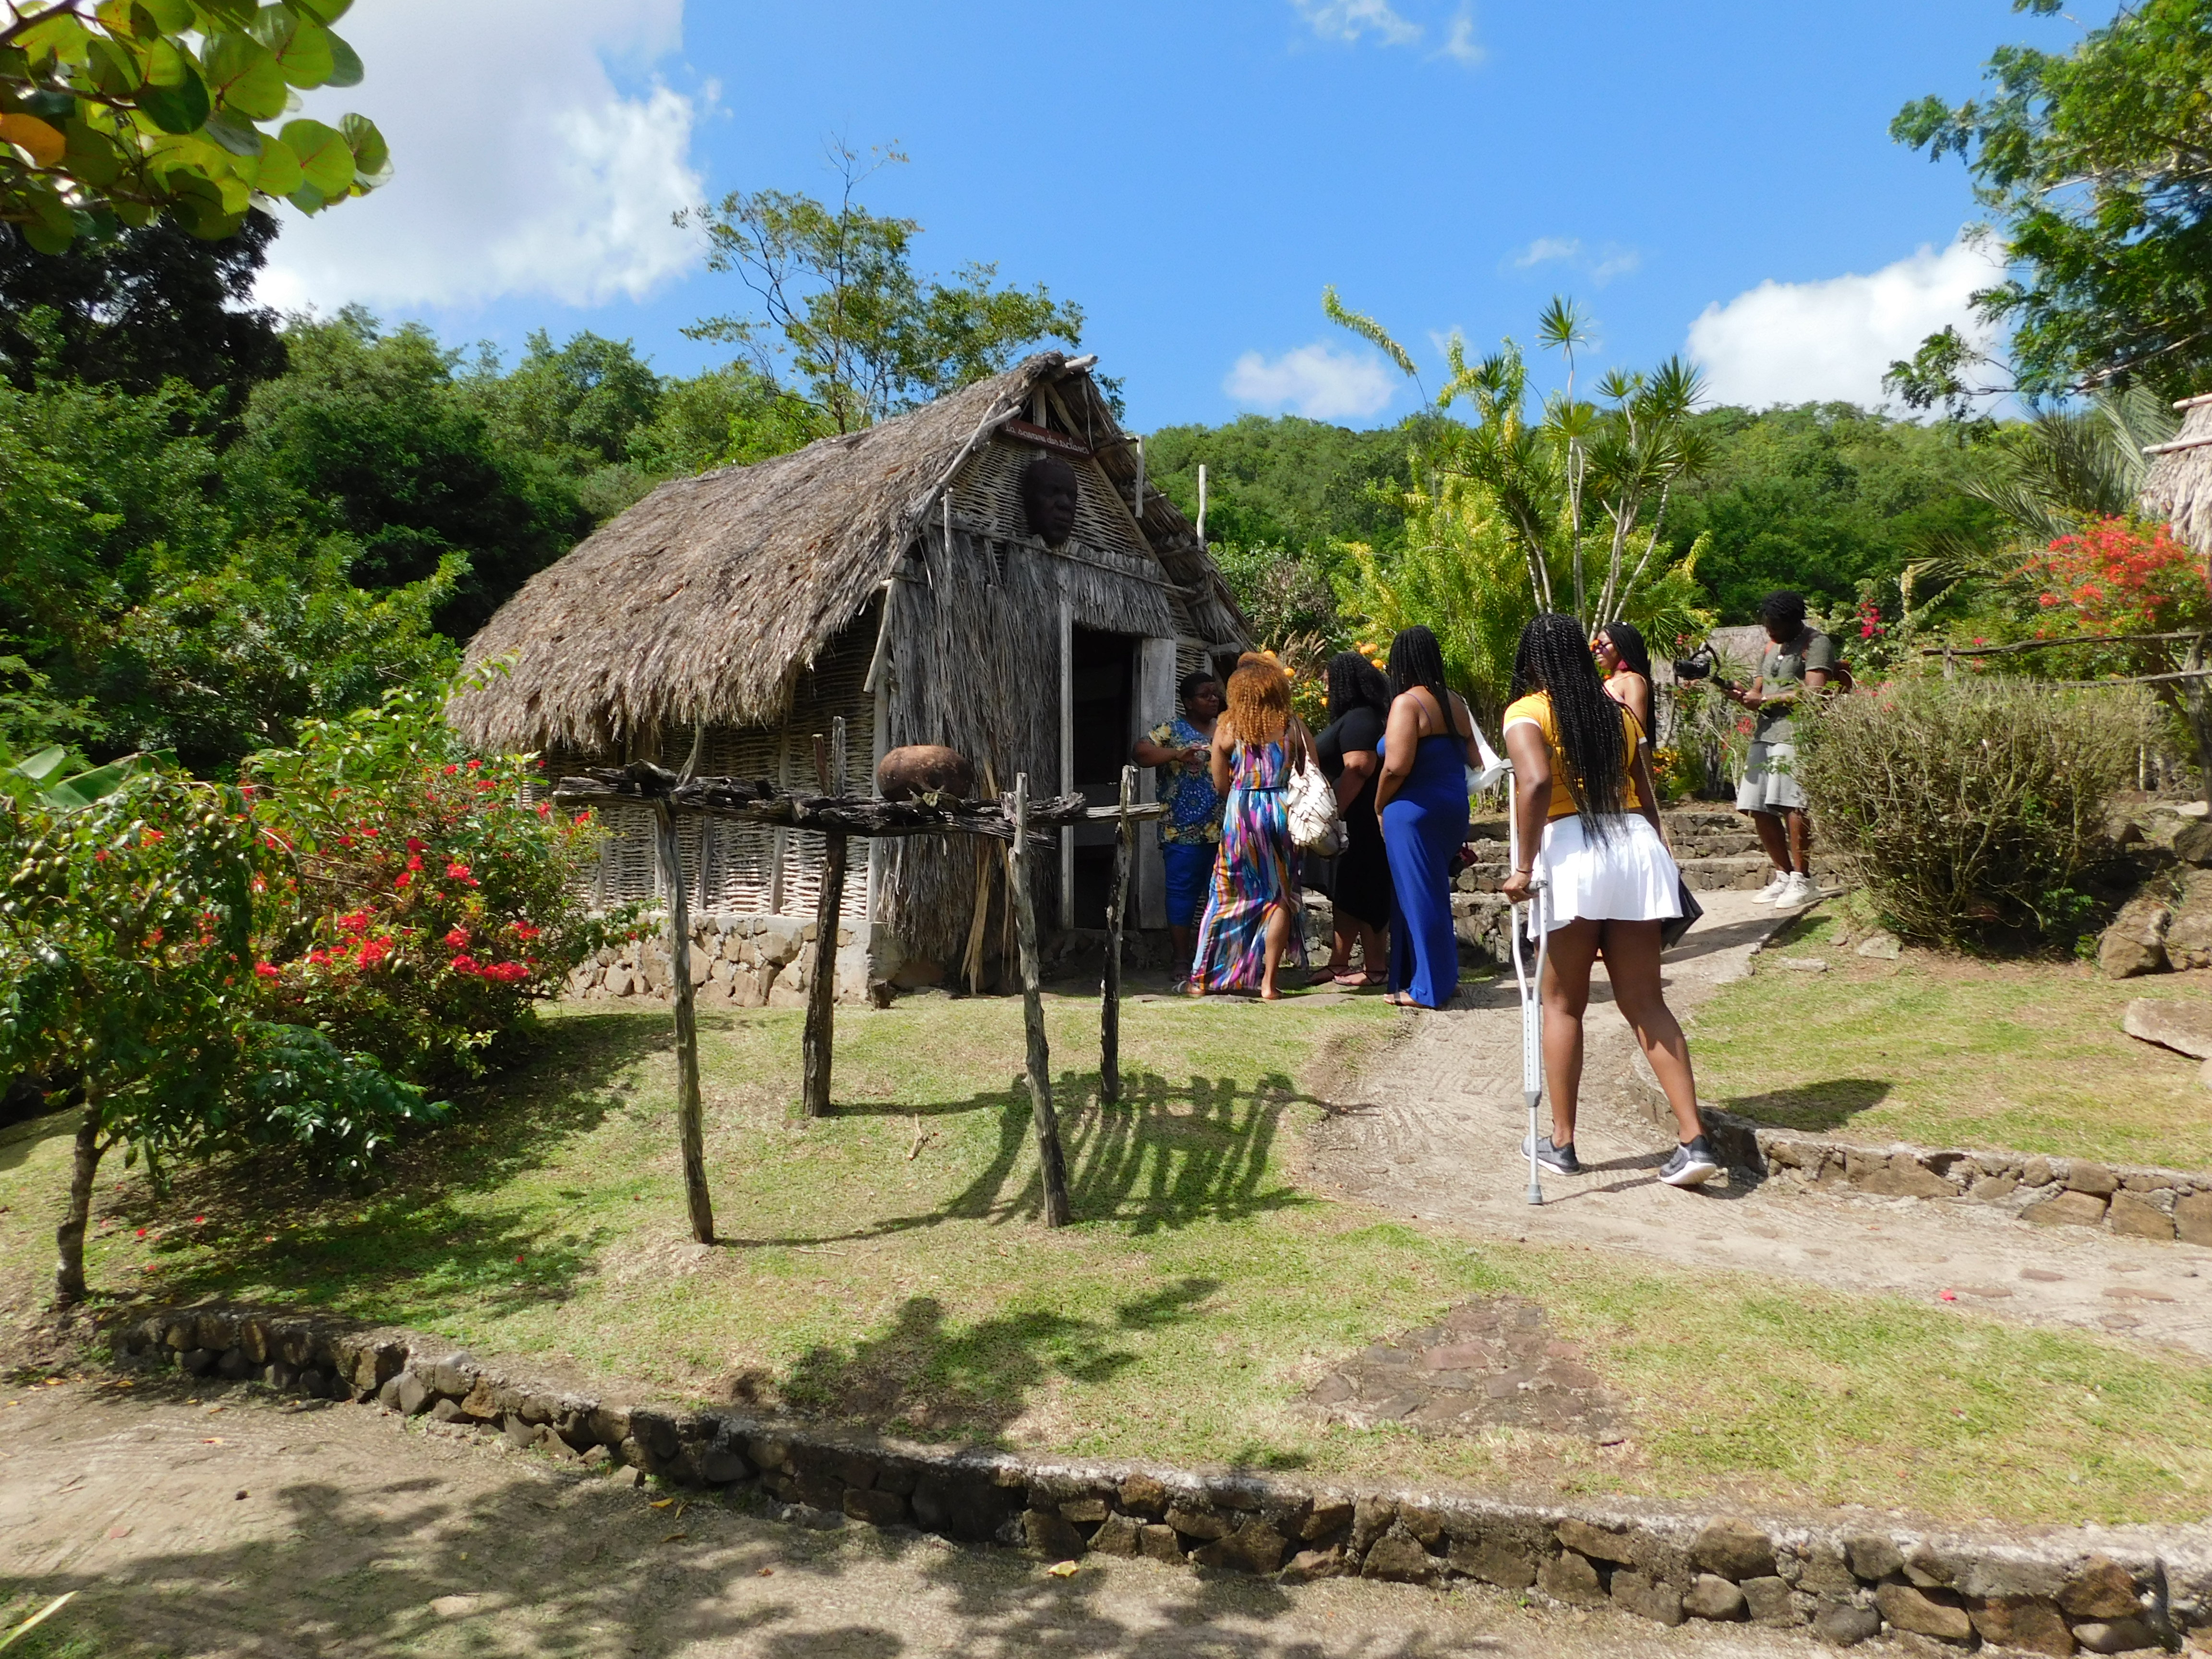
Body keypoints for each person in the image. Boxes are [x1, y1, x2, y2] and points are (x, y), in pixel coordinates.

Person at [1499, 613, 1719, 1189]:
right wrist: (1662, 862)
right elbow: (1646, 795)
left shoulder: (1527, 713)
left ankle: (1564, 1144)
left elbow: (1537, 782)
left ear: (1532, 662)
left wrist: (1522, 867)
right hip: (1634, 847)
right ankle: (1694, 1139)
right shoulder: (1618, 711)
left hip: (1572, 852)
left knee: (1563, 1005)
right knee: (1646, 1002)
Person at [1190, 654, 1312, 1001]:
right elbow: (1312, 773)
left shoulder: (1229, 727)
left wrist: (1244, 797)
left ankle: (1202, 979)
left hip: (1243, 811)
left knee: (1226, 893)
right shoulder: (1292, 725)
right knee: (1279, 898)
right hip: (1282, 811)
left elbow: (1219, 784)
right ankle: (1269, 984)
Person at [1374, 625, 1479, 1010]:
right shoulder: (1456, 702)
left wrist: (1379, 804)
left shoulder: (1407, 703)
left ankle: (1428, 989)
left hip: (1413, 810)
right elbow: (1475, 760)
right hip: (1451, 807)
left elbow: (1397, 766)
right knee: (1432, 894)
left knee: (1420, 898)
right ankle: (1439, 978)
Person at [1725, 590, 1834, 910]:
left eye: (1775, 625)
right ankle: (1784, 876)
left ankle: (1804, 879)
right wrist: (1740, 694)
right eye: (1767, 625)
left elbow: (1814, 692)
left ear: (1794, 621)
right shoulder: (1772, 647)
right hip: (1765, 733)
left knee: (1792, 803)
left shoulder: (1816, 643)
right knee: (1756, 805)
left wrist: (1766, 701)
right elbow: (1758, 690)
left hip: (1796, 733)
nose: (1769, 631)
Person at [1133, 672, 1225, 986]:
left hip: (1226, 832)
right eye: (1205, 695)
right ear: (1188, 702)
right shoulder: (1172, 730)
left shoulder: (1227, 729)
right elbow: (1141, 752)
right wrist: (1176, 754)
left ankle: (1216, 959)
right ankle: (1182, 960)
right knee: (1182, 896)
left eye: (1215, 693)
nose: (1213, 699)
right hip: (1182, 831)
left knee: (1222, 895)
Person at [1311, 652, 1394, 987]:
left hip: (1359, 821)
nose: (1325, 685)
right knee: (1346, 892)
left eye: (1329, 679)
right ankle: (1339, 962)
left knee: (1367, 891)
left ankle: (1375, 968)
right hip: (1354, 820)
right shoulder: (1359, 717)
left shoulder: (1362, 719)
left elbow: (1358, 766)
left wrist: (1335, 812)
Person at [1594, 620, 1654, 738]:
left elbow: (1636, 733)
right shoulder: (1609, 681)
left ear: (1621, 645)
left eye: (1603, 645)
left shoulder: (1632, 681)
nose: (1597, 651)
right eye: (1596, 646)